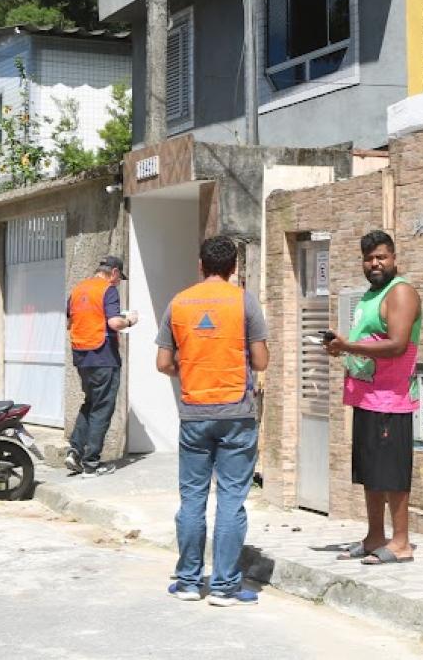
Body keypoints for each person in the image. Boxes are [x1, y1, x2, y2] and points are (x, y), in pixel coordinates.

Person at [156, 236, 270, 607]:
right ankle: (223, 587)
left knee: (192, 498)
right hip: (236, 413)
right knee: (231, 501)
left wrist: (190, 371)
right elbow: (262, 360)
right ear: (234, 267)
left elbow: (162, 363)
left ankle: (188, 582)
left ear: (200, 265)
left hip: (193, 412)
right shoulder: (244, 302)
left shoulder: (179, 303)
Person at [325, 230, 422, 566]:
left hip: (391, 400)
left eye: (381, 256)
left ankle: (401, 543)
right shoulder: (371, 295)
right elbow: (368, 341)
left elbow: (396, 344)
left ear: (394, 258)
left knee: (392, 473)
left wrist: (348, 346)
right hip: (367, 397)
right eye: (369, 258)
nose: (375, 263)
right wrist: (342, 349)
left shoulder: (401, 292)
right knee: (371, 471)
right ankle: (375, 537)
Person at [65, 255, 138, 476]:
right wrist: (130, 321)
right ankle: (91, 463)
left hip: (81, 355)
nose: (117, 282)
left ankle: (75, 451)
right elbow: (114, 322)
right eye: (118, 278)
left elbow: (70, 321)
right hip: (103, 355)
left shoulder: (78, 290)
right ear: (114, 272)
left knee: (90, 403)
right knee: (103, 408)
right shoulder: (107, 289)